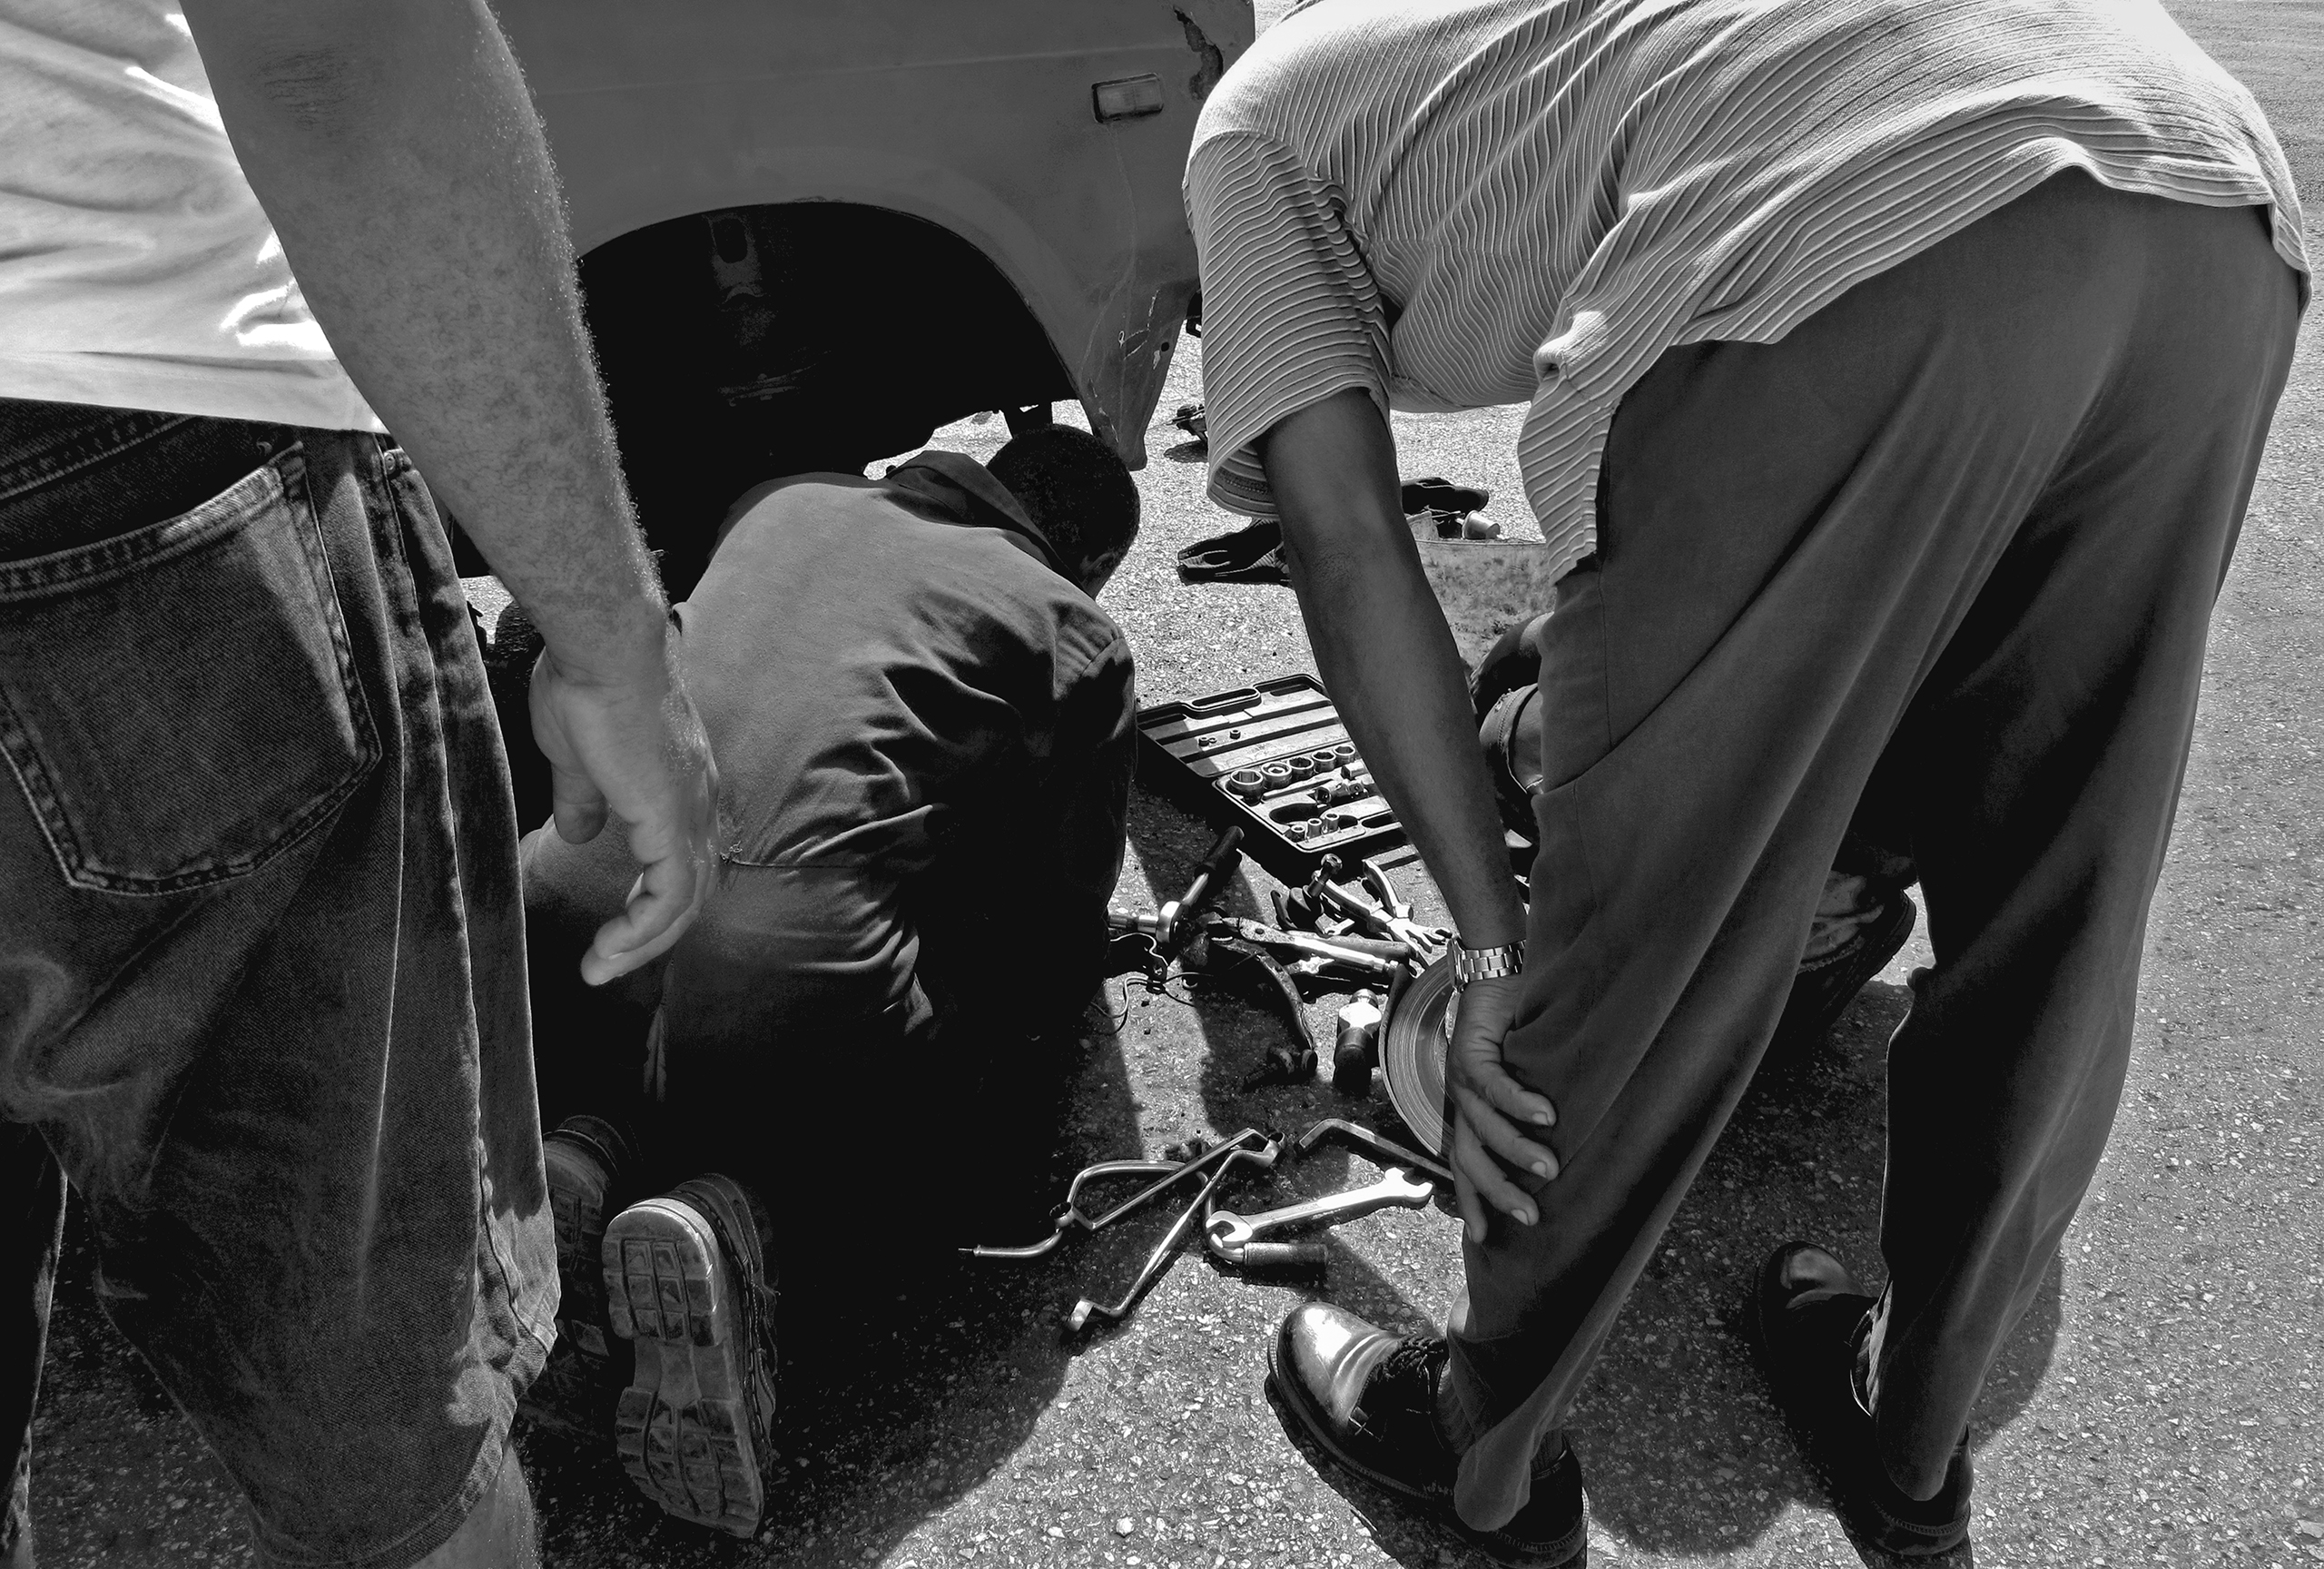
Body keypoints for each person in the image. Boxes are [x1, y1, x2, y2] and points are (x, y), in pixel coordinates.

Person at [1184, 1, 2306, 1564]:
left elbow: (1346, 542)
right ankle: (1911, 1440)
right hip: (2210, 198)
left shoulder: (1239, 139)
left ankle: (1484, 1449)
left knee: (1637, 920)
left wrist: (1496, 946)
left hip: (1860, 211)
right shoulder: (1478, 57)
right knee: (2060, 878)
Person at [0, 2, 719, 1566]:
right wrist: (613, 641)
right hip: (98, 441)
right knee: (389, 1447)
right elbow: (337, 49)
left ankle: (617, 1183)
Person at [514, 427, 1140, 1534]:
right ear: (1084, 559)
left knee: (667, 998)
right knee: (981, 1062)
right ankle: (742, 1223)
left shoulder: (781, 494)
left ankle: (583, 1152)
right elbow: (1054, 936)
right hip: (777, 970)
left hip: (557, 907)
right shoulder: (1070, 628)